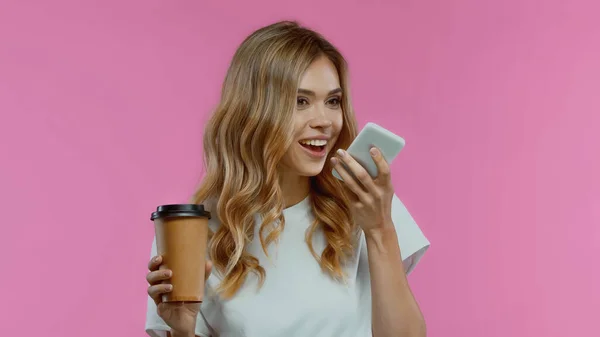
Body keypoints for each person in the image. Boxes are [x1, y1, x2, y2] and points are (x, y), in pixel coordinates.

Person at [145, 20, 430, 337]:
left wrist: (379, 229)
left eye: (333, 101)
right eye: (300, 102)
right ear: (254, 111)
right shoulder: (191, 229)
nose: (324, 121)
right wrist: (182, 331)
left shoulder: (367, 204)